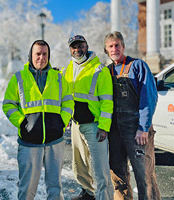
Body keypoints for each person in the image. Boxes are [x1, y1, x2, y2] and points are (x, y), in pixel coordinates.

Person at [3, 40, 74, 200]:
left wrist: (62, 122)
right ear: (31, 55)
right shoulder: (19, 78)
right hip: (29, 142)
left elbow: (68, 101)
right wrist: (22, 123)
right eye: (38, 54)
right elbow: (8, 105)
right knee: (27, 188)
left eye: (45, 54)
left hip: (55, 141)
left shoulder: (58, 78)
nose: (41, 57)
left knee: (55, 187)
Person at [104, 31, 161, 200]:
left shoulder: (138, 66)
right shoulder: (106, 72)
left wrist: (143, 128)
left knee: (144, 174)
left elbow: (149, 97)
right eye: (111, 46)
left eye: (117, 45)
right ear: (106, 50)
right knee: (118, 174)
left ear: (123, 47)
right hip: (115, 132)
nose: (114, 49)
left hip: (137, 131)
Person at [63, 35, 114, 200]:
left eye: (81, 46)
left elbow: (107, 101)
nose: (77, 49)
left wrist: (104, 127)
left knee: (101, 170)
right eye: (74, 46)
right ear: (70, 49)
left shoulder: (100, 70)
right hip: (76, 126)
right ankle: (88, 193)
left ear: (87, 46)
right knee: (79, 166)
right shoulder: (67, 70)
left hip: (95, 127)